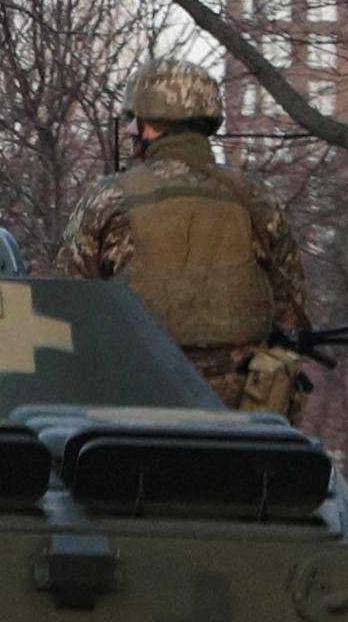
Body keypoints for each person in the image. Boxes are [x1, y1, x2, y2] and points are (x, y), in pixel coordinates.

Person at [60, 58, 313, 422]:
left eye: (136, 119)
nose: (130, 129)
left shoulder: (107, 198)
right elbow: (291, 312)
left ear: (151, 126)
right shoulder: (255, 198)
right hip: (242, 419)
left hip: (136, 412)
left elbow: (71, 306)